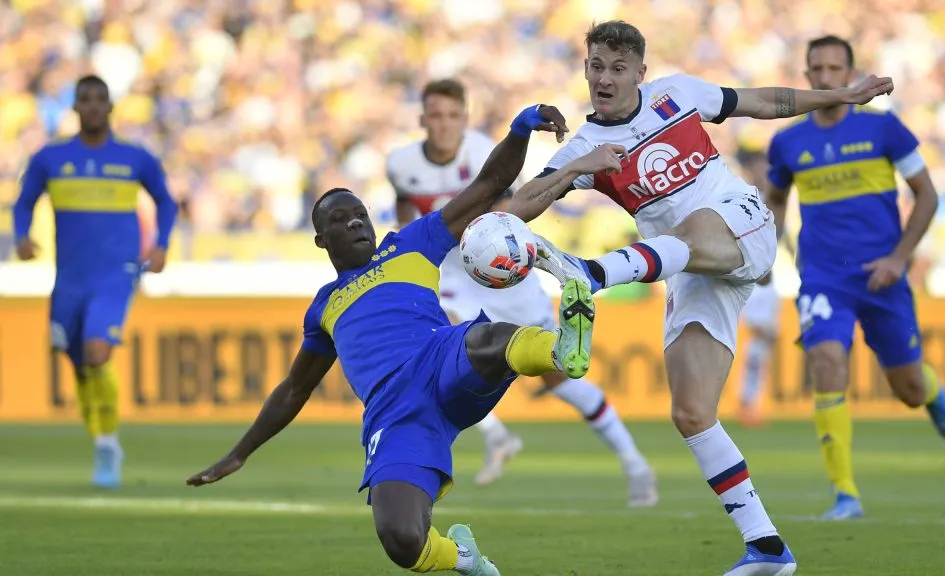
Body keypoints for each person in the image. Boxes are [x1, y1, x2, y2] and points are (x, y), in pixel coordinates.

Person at [506, 19, 895, 576]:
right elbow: (520, 207)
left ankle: (591, 274)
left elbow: (762, 101)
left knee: (688, 231)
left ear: (640, 72)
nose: (605, 79)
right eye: (596, 67)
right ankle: (767, 548)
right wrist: (573, 169)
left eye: (618, 68)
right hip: (687, 269)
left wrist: (840, 95)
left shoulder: (678, 95)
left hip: (740, 223)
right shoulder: (588, 146)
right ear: (585, 69)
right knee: (691, 413)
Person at [185, 104, 626, 576]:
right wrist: (239, 452)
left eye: (360, 214)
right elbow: (295, 389)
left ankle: (560, 351)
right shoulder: (324, 307)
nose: (356, 222)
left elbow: (486, 187)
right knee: (401, 539)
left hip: (440, 359)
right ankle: (465, 560)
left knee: (485, 338)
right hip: (395, 415)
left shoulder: (411, 244)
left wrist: (520, 128)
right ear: (320, 239)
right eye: (341, 219)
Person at [386, 78, 656, 505]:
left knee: (563, 377)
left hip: (504, 274)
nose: (443, 125)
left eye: (452, 116)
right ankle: (497, 436)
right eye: (435, 116)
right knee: (434, 352)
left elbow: (508, 211)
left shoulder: (481, 154)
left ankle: (635, 463)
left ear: (465, 119)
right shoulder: (400, 164)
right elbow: (407, 214)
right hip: (456, 279)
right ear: (423, 119)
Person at [763, 35, 945, 521]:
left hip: (883, 275)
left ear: (850, 75)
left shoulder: (884, 129)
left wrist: (899, 258)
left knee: (907, 390)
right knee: (827, 363)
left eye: (835, 69)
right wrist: (763, 255)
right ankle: (845, 494)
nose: (826, 77)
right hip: (823, 278)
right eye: (817, 69)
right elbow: (775, 201)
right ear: (806, 77)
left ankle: (930, 390)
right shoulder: (787, 142)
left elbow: (928, 196)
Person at [13, 74, 178, 489]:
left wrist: (160, 245)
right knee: (79, 363)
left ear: (110, 108)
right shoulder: (49, 159)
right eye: (83, 99)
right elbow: (24, 201)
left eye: (99, 99)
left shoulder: (134, 158)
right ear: (75, 108)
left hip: (116, 273)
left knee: (97, 352)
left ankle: (107, 445)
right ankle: (102, 437)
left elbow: (166, 200)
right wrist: (22, 236)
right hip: (69, 278)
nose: (91, 106)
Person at [734, 149, 780, 428]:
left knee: (764, 341)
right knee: (756, 340)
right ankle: (747, 400)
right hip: (751, 277)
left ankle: (752, 400)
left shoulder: (780, 198)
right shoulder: (743, 198)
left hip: (772, 279)